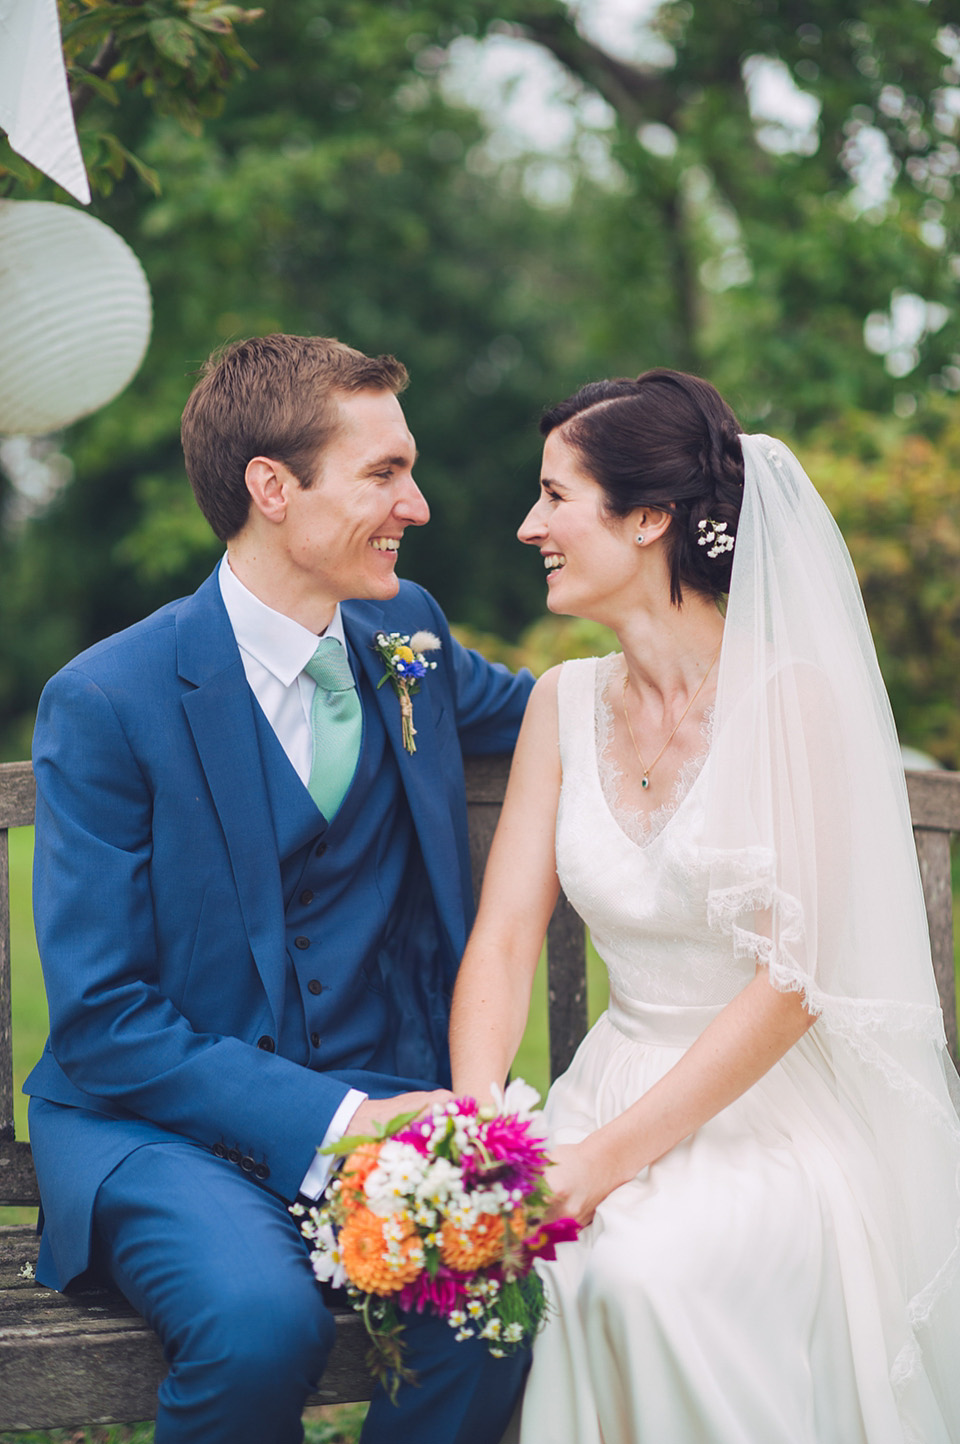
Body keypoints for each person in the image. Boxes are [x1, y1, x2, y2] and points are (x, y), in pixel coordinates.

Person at [25, 334, 534, 1444]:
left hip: (382, 1092)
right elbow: (104, 1020)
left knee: (490, 1291)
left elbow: (567, 718)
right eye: (384, 473)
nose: (421, 504)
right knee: (261, 1323)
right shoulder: (108, 699)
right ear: (271, 486)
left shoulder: (411, 639)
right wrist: (340, 1120)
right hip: (156, 1129)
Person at [449, 369, 960, 1443]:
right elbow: (500, 940)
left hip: (764, 1104)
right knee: (559, 1271)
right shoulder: (561, 702)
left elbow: (793, 984)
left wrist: (603, 1162)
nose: (527, 523)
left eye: (555, 496)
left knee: (638, 1275)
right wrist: (481, 1130)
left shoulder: (792, 701)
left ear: (647, 519)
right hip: (607, 1082)